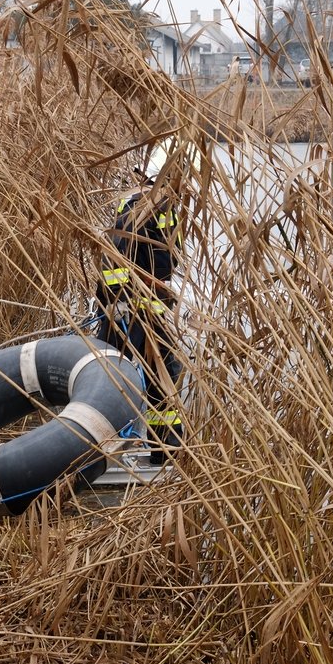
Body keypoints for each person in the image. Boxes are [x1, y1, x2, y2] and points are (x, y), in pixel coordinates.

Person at [94, 137, 187, 465]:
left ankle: (94, 450)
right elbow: (153, 260)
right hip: (137, 310)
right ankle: (166, 452)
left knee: (107, 378)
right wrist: (158, 288)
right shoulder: (153, 204)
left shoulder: (132, 203)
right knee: (164, 377)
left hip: (116, 308)